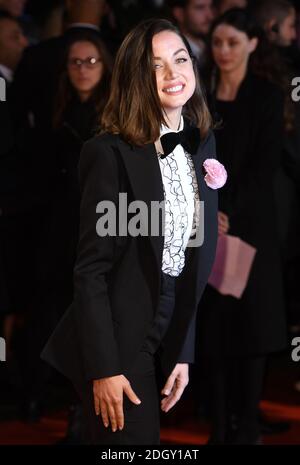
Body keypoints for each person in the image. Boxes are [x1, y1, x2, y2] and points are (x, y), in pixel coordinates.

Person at [41, 18, 223, 445]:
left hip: (167, 316)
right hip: (116, 329)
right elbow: (91, 271)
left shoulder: (203, 145)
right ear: (135, 78)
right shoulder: (108, 153)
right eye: (155, 65)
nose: (172, 74)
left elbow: (192, 262)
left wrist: (182, 349)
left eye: (180, 60)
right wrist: (104, 367)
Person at [197, 8, 287, 444]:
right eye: (217, 43)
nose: (224, 51)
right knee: (211, 330)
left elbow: (264, 165)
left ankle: (246, 425)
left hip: (251, 227)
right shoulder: (200, 94)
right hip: (203, 222)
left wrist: (227, 209)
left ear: (252, 43)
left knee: (250, 331)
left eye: (233, 42)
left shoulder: (267, 96)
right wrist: (206, 209)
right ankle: (217, 425)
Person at [20, 31, 112, 434]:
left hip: (100, 231)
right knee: (51, 315)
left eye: (91, 61)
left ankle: (85, 416)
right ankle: (40, 396)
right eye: (75, 62)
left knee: (91, 323)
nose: (83, 70)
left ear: (106, 65)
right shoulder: (54, 109)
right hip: (57, 231)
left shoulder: (114, 114)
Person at [170, 0, 215, 69]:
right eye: (200, 8)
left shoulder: (214, 47)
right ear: (179, 14)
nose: (210, 16)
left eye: (211, 7)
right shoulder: (172, 53)